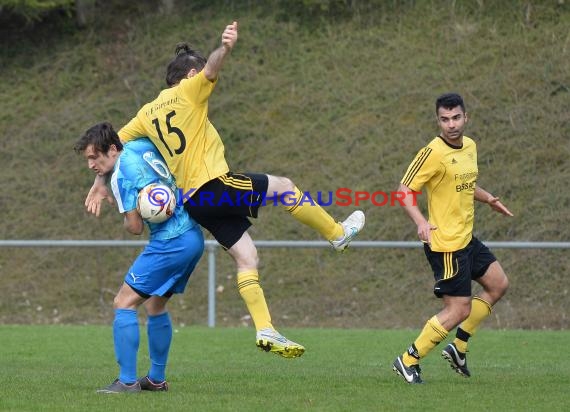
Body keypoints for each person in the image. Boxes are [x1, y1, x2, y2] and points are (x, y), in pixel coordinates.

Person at [84, 21, 365, 358]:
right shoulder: (189, 91)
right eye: (198, 73)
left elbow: (113, 143)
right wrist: (225, 48)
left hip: (195, 203)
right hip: (214, 185)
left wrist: (100, 182)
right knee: (285, 187)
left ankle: (266, 328)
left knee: (247, 257)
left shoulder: (146, 112)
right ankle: (336, 234)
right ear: (190, 75)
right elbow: (212, 69)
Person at [75, 122, 204, 393]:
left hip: (169, 243)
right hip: (192, 234)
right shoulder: (138, 145)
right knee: (155, 305)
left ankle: (127, 381)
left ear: (111, 149)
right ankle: (156, 380)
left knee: (123, 302)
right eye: (87, 159)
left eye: (93, 157)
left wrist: (122, 209)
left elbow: (135, 228)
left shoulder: (121, 177)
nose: (90, 165)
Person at [392, 93, 512, 384]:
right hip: (445, 244)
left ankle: (458, 347)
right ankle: (408, 360)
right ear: (438, 121)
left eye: (456, 117)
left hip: (466, 238)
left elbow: (466, 183)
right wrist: (421, 221)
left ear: (465, 117)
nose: (451, 124)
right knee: (458, 308)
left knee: (498, 284)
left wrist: (487, 199)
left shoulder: (469, 146)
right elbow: (403, 191)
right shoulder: (432, 152)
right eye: (445, 119)